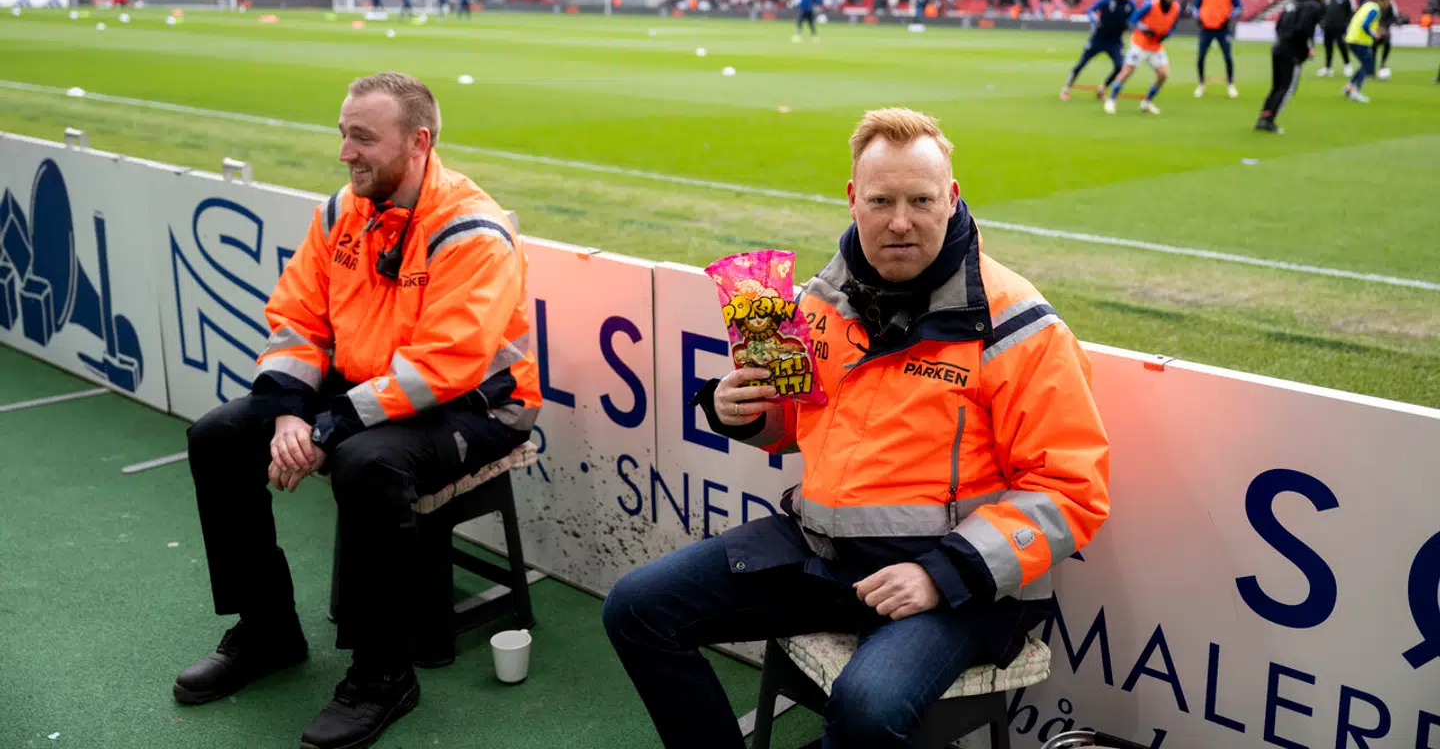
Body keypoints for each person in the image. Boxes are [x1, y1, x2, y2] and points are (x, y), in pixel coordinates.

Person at [602, 108, 1111, 749]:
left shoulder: (1017, 326)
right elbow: (796, 425)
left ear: (951, 198)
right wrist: (744, 412)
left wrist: (941, 574)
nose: (901, 221)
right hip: (823, 554)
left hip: (957, 584)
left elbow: (1068, 490)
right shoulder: (821, 299)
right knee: (636, 609)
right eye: (882, 201)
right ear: (852, 201)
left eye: (921, 200)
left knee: (868, 709)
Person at [174, 72, 541, 749]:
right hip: (367, 390)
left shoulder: (470, 230)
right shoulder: (343, 208)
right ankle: (267, 631)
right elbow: (297, 320)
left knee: (367, 464)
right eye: (344, 133)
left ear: (419, 142)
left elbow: (441, 369)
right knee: (219, 435)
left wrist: (326, 426)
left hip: (477, 405)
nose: (345, 152)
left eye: (363, 138)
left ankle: (383, 674)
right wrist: (288, 413)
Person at [1256, 0, 1326, 134]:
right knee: (1287, 87)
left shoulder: (1293, 1)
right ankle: (1269, 120)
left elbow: (1279, 24)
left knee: (1276, 86)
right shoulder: (1313, 6)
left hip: (1279, 45)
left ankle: (1264, 114)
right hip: (1291, 50)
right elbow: (1304, 29)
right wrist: (1307, 48)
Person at [1104, 0, 1181, 115]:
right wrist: (1145, 29)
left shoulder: (1176, 8)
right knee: (1127, 71)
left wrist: (1167, 34)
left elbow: (1173, 26)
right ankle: (1111, 100)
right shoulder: (1151, 4)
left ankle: (1146, 102)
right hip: (1140, 43)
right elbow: (1133, 19)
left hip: (1156, 45)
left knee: (1163, 74)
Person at [1060, 0, 1134, 101]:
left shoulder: (1130, 4)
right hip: (1098, 39)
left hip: (1115, 42)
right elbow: (1091, 10)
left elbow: (1133, 19)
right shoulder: (1107, 0)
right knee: (1082, 63)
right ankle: (1066, 88)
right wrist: (1094, 19)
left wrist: (1130, 26)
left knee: (1119, 66)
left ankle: (1102, 89)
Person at [1192, 0, 1243, 98]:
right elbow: (1194, 7)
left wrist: (1231, 15)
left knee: (1228, 57)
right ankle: (1201, 84)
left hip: (1223, 29)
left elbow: (1239, 7)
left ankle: (1231, 85)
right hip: (1206, 29)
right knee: (1201, 57)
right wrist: (1197, 16)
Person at [1343, 0, 1389, 103]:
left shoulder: (1367, 5)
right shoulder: (1375, 9)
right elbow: (1365, 25)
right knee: (1367, 65)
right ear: (1383, 0)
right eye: (1387, 1)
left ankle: (1349, 87)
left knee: (1364, 64)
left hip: (1352, 38)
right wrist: (1375, 35)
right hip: (1360, 40)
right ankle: (1356, 92)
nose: (1387, 4)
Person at [1316, 0, 1355, 78]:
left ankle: (1347, 65)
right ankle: (1328, 68)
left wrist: (1347, 24)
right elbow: (1321, 11)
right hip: (1327, 28)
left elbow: (1352, 11)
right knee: (1328, 48)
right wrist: (1322, 23)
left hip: (1341, 28)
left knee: (1342, 46)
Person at [1375, 0, 1402, 80]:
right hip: (1373, 29)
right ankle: (1371, 67)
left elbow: (1393, 17)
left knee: (1387, 43)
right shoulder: (1373, 4)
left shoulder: (1391, 4)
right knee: (1372, 47)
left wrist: (1384, 27)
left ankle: (1383, 64)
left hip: (1385, 29)